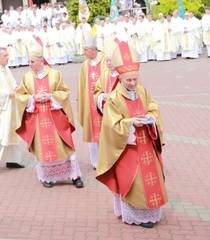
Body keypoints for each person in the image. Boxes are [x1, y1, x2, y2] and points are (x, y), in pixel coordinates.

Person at [96, 41, 167, 228]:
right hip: (128, 149)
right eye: (129, 80)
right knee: (134, 181)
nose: (133, 83)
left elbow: (152, 106)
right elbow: (111, 126)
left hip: (147, 145)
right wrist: (130, 123)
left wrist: (151, 115)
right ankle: (135, 215)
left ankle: (151, 212)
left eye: (136, 79)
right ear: (120, 78)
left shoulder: (141, 90)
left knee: (151, 179)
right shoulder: (114, 98)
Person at [15, 42, 83, 189]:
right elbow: (20, 96)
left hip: (56, 118)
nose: (30, 64)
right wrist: (32, 99)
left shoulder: (55, 74)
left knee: (65, 145)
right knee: (43, 148)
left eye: (32, 62)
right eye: (29, 62)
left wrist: (51, 97)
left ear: (41, 60)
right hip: (38, 120)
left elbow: (65, 92)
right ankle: (48, 177)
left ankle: (75, 176)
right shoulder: (26, 78)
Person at [77, 32, 112, 169]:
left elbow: (111, 78)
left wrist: (100, 85)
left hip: (103, 103)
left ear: (93, 49)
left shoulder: (105, 60)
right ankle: (95, 162)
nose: (84, 52)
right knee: (93, 132)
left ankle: (108, 159)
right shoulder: (85, 65)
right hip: (90, 104)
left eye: (85, 50)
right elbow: (82, 86)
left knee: (106, 131)